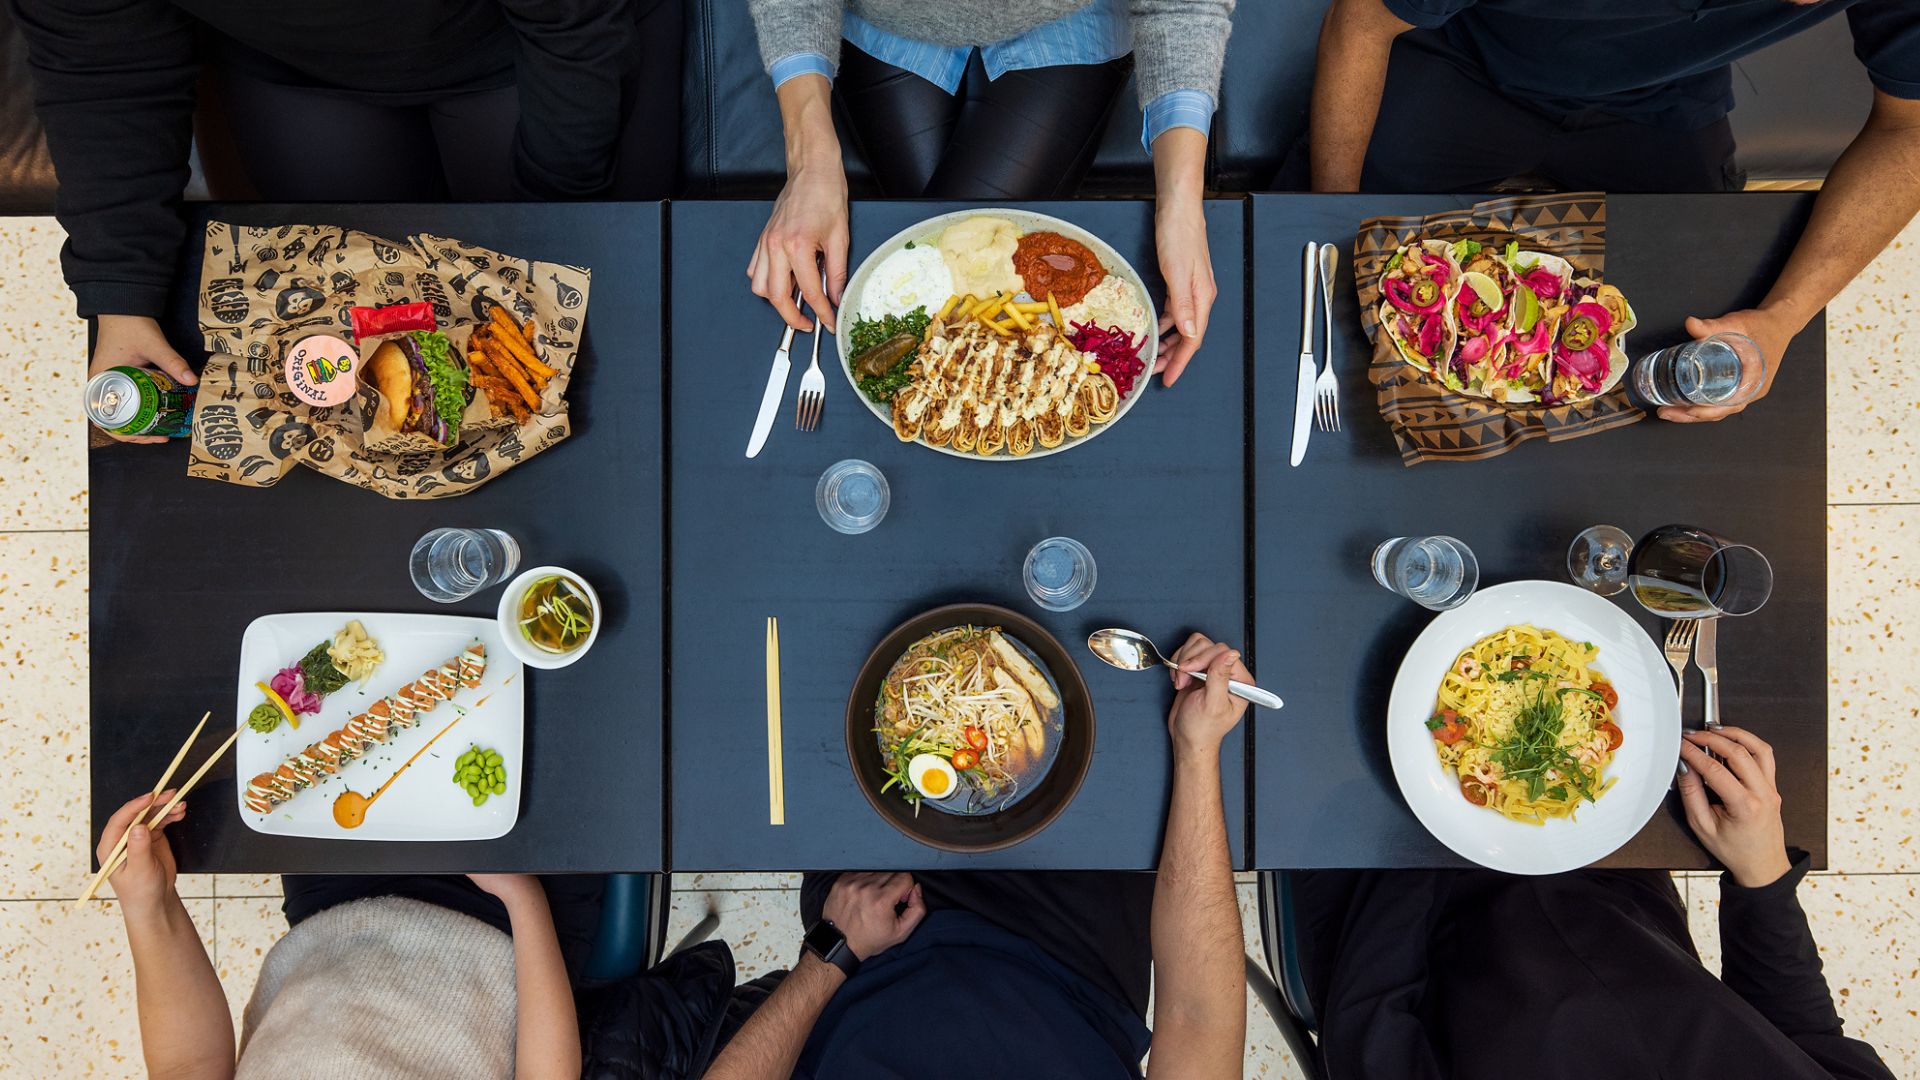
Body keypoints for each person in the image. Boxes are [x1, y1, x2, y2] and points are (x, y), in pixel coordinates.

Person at [14, 0, 683, 443]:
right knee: (351, 359)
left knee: (598, 349)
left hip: (545, 35)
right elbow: (101, 67)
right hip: (299, 63)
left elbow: (575, 26)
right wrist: (120, 298)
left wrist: (552, 226)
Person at [1301, 0, 1920, 424]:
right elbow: (1362, 20)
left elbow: (1909, 131)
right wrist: (1332, 221)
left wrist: (1783, 320)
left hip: (1665, 99)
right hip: (1462, 56)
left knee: (1699, 355)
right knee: (1307, 281)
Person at [706, 632, 1252, 1079]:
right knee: (1087, 664)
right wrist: (1197, 749)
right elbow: (1198, 1020)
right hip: (1079, 936)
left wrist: (830, 955)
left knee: (847, 656)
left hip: (869, 929)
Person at [1291, 726, 1893, 1079]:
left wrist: (1428, 818)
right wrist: (1761, 871)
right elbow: (1807, 1039)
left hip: (1394, 905)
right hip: (1616, 893)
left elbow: (1372, 1031)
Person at [743, 0, 1235, 388]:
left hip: (1063, 22)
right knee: (946, 287)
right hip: (886, 22)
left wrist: (1183, 207)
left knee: (950, 299)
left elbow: (1187, 5)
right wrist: (809, 163)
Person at [91, 791, 596, 1078]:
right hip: (512, 939)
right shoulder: (517, 909)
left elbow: (190, 1063)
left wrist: (148, 904)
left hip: (335, 916)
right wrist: (521, 898)